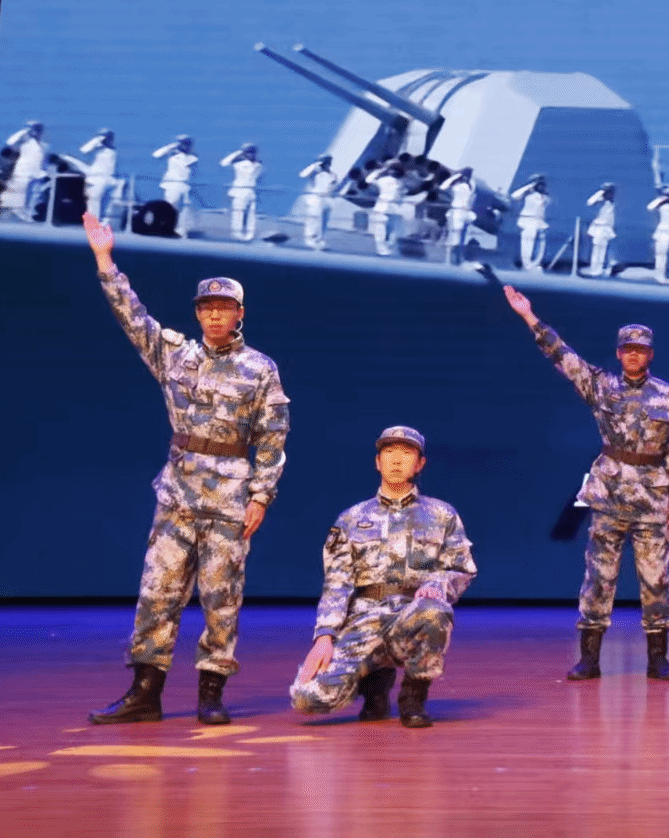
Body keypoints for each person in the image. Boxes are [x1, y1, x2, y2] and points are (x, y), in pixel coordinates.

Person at [82, 213, 290, 726]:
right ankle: (144, 693)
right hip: (177, 495)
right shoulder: (175, 355)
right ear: (198, 313)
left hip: (229, 499)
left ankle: (211, 692)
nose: (215, 314)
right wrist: (105, 259)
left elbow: (272, 436)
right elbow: (132, 316)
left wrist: (261, 496)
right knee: (158, 593)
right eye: (207, 307)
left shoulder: (260, 369)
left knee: (221, 597)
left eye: (224, 307)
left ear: (239, 313)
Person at [504, 291, 669, 680]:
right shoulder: (601, 385)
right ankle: (589, 658)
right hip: (609, 496)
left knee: (656, 578)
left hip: (653, 498)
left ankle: (658, 658)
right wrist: (530, 317)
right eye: (628, 349)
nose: (634, 355)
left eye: (641, 349)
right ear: (619, 353)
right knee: (599, 576)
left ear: (650, 354)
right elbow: (563, 356)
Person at [288, 427, 475, 729]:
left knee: (436, 612)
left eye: (406, 453)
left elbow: (461, 568)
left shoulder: (442, 515)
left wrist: (436, 585)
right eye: (389, 452)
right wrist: (324, 636)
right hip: (364, 619)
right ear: (378, 462)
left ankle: (414, 696)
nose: (397, 460)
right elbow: (336, 582)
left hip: (412, 614)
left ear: (420, 464)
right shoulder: (351, 519)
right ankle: (375, 682)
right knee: (306, 699)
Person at [153, 134, 200, 236]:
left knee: (184, 209)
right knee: (170, 207)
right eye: (183, 143)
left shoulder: (193, 157)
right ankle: (166, 228)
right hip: (171, 184)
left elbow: (186, 162)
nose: (185, 146)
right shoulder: (171, 155)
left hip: (184, 185)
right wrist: (171, 147)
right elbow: (156, 155)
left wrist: (180, 152)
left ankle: (181, 230)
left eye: (187, 144)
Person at [3, 120, 49, 218]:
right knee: (17, 194)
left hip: (36, 174)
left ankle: (27, 214)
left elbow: (43, 160)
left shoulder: (44, 145)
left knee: (33, 196)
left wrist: (44, 172)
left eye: (39, 129)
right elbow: (10, 142)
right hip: (22, 172)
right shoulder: (23, 142)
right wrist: (24, 131)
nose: (37, 132)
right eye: (35, 129)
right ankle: (13, 213)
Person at [77, 129, 123, 221]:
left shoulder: (111, 151)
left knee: (104, 204)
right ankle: (94, 223)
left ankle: (101, 222)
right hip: (96, 180)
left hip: (104, 180)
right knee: (94, 204)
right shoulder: (99, 149)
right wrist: (98, 139)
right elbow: (84, 150)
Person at [364, 160, 405, 256]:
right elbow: (368, 181)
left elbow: (368, 180)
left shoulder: (397, 182)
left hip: (388, 208)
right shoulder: (392, 181)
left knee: (385, 231)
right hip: (387, 208)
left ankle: (385, 249)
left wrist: (379, 170)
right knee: (385, 230)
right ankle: (384, 249)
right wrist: (381, 170)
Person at [511, 174, 550, 271]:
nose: (541, 186)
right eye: (539, 184)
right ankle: (526, 265)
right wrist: (529, 186)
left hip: (539, 223)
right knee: (527, 245)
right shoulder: (528, 195)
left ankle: (536, 264)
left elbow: (543, 208)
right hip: (528, 222)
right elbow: (514, 196)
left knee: (540, 247)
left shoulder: (544, 197)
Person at [298, 155, 336, 251]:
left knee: (324, 221)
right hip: (316, 198)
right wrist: (315, 165)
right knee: (313, 219)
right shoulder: (315, 172)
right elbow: (302, 175)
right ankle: (310, 240)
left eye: (329, 161)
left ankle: (320, 240)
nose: (329, 163)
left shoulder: (332, 174)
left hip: (327, 199)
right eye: (326, 161)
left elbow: (334, 185)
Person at [440, 167, 477, 264]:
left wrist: (455, 177)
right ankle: (453, 257)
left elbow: (443, 187)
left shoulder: (462, 185)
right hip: (460, 210)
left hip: (458, 210)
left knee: (454, 234)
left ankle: (451, 258)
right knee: (455, 234)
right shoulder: (470, 185)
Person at [585, 183, 618, 278]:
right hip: (599, 227)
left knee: (603, 250)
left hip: (606, 228)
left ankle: (599, 269)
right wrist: (601, 192)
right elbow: (590, 202)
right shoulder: (600, 201)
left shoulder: (612, 202)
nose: (611, 194)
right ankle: (594, 270)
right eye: (609, 192)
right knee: (597, 249)